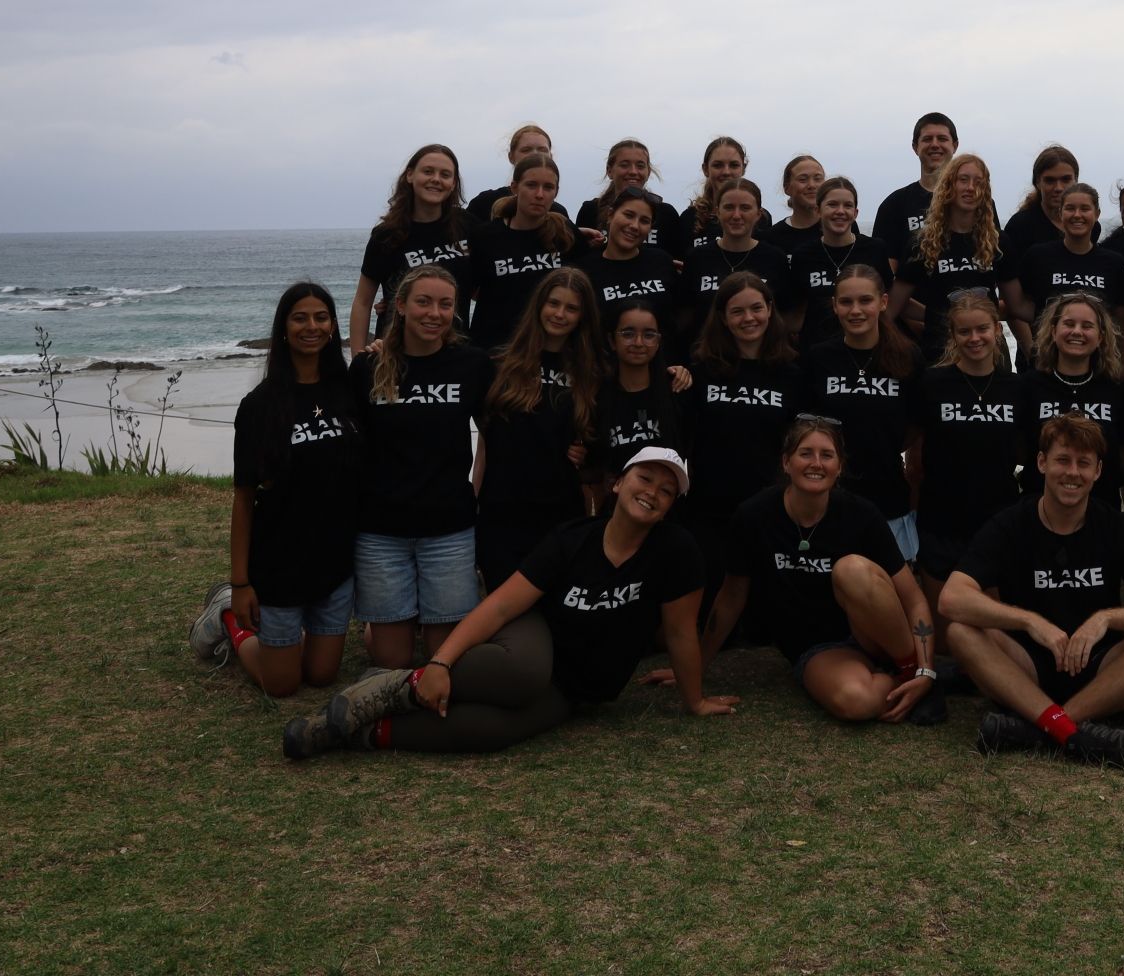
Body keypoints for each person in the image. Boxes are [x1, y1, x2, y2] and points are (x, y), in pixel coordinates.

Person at [283, 449, 733, 757]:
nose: (652, 492)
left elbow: (679, 630)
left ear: (672, 505)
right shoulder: (571, 540)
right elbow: (499, 608)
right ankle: (400, 684)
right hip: (532, 635)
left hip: (576, 685)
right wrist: (439, 664)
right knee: (522, 674)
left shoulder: (676, 551)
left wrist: (694, 701)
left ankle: (349, 732)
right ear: (617, 484)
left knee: (495, 731)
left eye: (666, 490)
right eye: (645, 478)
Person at [942, 415, 1124, 768]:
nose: (1073, 473)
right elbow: (952, 598)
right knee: (961, 632)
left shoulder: (1115, 524)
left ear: (1098, 471)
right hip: (1027, 666)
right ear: (1041, 463)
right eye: (1062, 460)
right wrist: (1028, 621)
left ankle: (1047, 725)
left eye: (1084, 463)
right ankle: (1072, 732)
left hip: (1099, 667)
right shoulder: (1011, 521)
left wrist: (1105, 618)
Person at [701, 416, 944, 724]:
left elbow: (914, 599)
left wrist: (924, 669)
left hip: (874, 631)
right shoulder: (753, 516)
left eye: (827, 455)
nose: (816, 463)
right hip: (818, 647)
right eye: (805, 453)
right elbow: (730, 597)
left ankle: (914, 677)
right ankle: (906, 681)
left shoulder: (862, 514)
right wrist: (696, 666)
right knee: (856, 703)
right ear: (786, 462)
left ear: (839, 467)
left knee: (851, 569)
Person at [190, 282, 361, 696]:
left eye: (321, 317)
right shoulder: (259, 406)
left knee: (321, 677)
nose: (312, 326)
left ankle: (281, 639)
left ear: (334, 326)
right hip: (280, 563)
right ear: (283, 328)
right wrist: (243, 582)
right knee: (281, 685)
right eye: (299, 317)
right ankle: (229, 617)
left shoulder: (351, 390)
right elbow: (245, 500)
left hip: (335, 562)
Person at [348, 265, 492, 671]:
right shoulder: (367, 368)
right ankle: (390, 618)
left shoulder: (471, 365)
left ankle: (413, 611)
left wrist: (474, 495)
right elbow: (349, 446)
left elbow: (492, 437)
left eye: (445, 304)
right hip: (381, 530)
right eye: (424, 302)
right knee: (393, 660)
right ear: (401, 306)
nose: (435, 313)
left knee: (441, 655)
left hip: (449, 528)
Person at [474, 269, 601, 589]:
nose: (560, 314)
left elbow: (600, 443)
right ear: (538, 305)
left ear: (583, 316)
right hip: (502, 514)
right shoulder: (498, 363)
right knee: (507, 614)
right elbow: (486, 445)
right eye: (553, 303)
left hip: (561, 514)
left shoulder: (592, 372)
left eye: (571, 308)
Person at [681, 272, 802, 580]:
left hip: (771, 510)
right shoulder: (700, 373)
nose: (749, 318)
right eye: (737, 311)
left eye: (756, 308)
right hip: (708, 511)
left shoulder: (792, 375)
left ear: (770, 309)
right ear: (722, 317)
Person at [909, 290, 1026, 603]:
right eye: (964, 331)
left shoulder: (1017, 388)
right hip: (940, 521)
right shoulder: (932, 383)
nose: (974, 338)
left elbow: (1026, 451)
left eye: (982, 329)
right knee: (947, 638)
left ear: (997, 330)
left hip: (997, 520)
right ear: (953, 335)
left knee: (990, 624)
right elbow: (916, 453)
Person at [795, 264, 920, 551]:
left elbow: (916, 426)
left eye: (865, 300)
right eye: (846, 302)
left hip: (888, 496)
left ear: (883, 302)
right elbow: (804, 427)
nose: (856, 310)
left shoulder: (908, 357)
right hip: (829, 499)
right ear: (834, 306)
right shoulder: (818, 358)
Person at [460, 152, 582, 353]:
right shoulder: (486, 236)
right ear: (515, 187)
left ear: (556, 192)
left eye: (548, 187)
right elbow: (467, 290)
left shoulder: (565, 234)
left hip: (548, 352)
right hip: (495, 350)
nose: (540, 194)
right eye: (531, 185)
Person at [351, 144, 467, 354]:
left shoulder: (468, 226)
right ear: (410, 175)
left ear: (453, 183)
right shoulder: (386, 234)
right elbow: (363, 301)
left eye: (445, 174)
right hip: (394, 351)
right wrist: (358, 360)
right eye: (428, 171)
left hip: (455, 352)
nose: (436, 179)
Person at [1017, 291, 1124, 504]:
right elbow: (1019, 447)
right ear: (1053, 331)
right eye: (1069, 324)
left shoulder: (1116, 389)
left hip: (1102, 508)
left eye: (1087, 326)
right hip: (1038, 507)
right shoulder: (1028, 386)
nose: (1077, 332)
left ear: (1101, 337)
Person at [889, 152, 1004, 355]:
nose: (970, 188)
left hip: (988, 350)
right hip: (938, 352)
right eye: (963, 180)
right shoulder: (922, 243)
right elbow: (894, 306)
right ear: (948, 186)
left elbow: (1016, 305)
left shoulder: (998, 242)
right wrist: (935, 315)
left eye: (979, 182)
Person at [1004, 184, 1124, 353]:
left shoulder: (1114, 262)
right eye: (1070, 208)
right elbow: (1018, 306)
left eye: (1085, 209)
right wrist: (1031, 347)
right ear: (1060, 213)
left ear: (1097, 214)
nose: (1077, 215)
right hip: (1048, 359)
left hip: (1100, 362)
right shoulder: (1038, 256)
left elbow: (1121, 322)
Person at [782, 176, 891, 349]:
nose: (840, 211)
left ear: (855, 213)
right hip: (817, 351)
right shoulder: (803, 255)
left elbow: (888, 301)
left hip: (868, 347)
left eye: (847, 205)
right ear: (818, 211)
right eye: (832, 205)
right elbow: (796, 311)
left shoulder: (874, 249)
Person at [681, 177, 791, 344]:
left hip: (761, 360)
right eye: (729, 207)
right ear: (718, 212)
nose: (736, 215)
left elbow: (783, 315)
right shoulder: (697, 258)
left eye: (745, 208)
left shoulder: (775, 259)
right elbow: (686, 315)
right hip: (706, 359)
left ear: (758, 214)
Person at [592, 304, 688, 487]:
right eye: (628, 334)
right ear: (612, 341)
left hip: (671, 506)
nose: (638, 342)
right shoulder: (596, 398)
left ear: (659, 341)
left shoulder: (677, 389)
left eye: (649, 335)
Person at [580, 184, 684, 340]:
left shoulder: (661, 262)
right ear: (610, 215)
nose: (635, 226)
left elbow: (680, 317)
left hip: (662, 362)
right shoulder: (585, 270)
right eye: (628, 215)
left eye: (644, 221)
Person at [876, 112, 962, 267]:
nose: (935, 144)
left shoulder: (975, 201)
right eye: (927, 139)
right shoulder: (894, 205)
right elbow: (884, 272)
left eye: (942, 139)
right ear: (915, 147)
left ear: (955, 146)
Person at [575, 139, 685, 253]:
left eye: (640, 166)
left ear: (648, 172)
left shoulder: (666, 214)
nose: (633, 171)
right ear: (609, 171)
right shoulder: (590, 210)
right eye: (624, 165)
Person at [464, 124, 571, 230]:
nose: (535, 154)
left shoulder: (558, 212)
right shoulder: (484, 203)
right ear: (511, 156)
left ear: (550, 156)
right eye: (526, 150)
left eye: (542, 150)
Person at [677, 136, 765, 255]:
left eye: (734, 165)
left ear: (743, 169)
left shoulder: (761, 219)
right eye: (718, 165)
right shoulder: (689, 218)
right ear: (705, 169)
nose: (726, 172)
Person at [998, 144, 1082, 268]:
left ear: (1076, 180)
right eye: (1050, 180)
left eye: (1065, 179)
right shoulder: (1020, 227)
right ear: (1037, 182)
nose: (1058, 188)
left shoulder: (1087, 226)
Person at [771, 154, 828, 260]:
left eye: (817, 179)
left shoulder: (841, 227)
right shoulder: (772, 237)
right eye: (803, 179)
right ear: (787, 188)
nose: (811, 185)